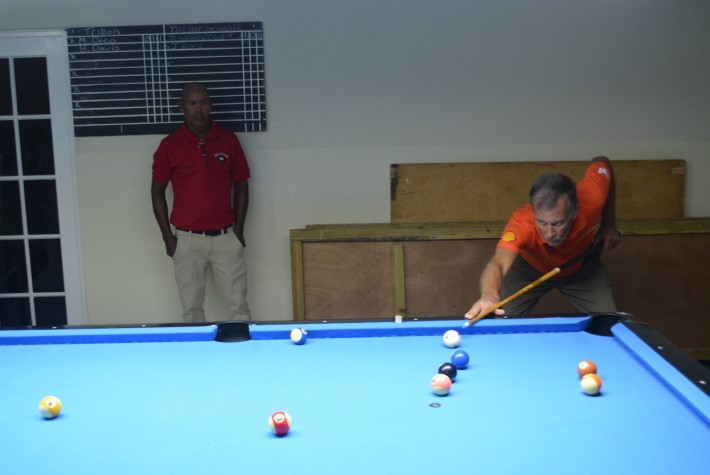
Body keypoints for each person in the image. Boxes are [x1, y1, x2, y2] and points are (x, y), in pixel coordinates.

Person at [465, 156, 621, 322]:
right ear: (533, 212)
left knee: (607, 323)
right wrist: (489, 296)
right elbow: (498, 262)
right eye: (542, 222)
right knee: (501, 320)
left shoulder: (592, 196)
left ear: (574, 211)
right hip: (530, 269)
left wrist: (609, 224)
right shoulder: (522, 224)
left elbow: (602, 161)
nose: (549, 233)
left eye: (558, 223)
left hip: (582, 267)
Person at [151, 82, 251, 323]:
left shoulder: (228, 140)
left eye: (204, 103)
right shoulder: (169, 145)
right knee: (191, 310)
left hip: (225, 238)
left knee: (238, 308)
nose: (198, 109)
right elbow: (156, 192)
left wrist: (238, 231)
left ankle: (244, 347)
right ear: (182, 107)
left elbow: (242, 185)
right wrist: (168, 238)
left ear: (211, 105)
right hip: (187, 240)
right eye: (192, 103)